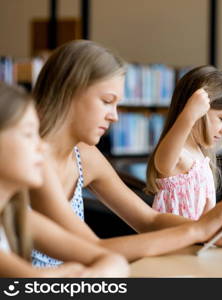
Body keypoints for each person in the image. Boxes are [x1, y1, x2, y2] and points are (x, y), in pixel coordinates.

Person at [30, 40, 222, 267]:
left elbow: (149, 219)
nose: (114, 116)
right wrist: (197, 230)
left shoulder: (85, 156)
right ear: (69, 92)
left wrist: (211, 229)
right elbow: (94, 249)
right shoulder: (31, 161)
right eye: (107, 101)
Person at [0, 82, 129, 277]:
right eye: (28, 134)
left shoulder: (16, 215)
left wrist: (85, 275)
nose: (42, 147)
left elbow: (113, 259)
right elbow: (35, 281)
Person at [146, 65, 222, 220]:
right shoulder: (178, 155)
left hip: (199, 240)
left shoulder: (200, 156)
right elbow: (162, 162)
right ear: (197, 110)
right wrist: (189, 113)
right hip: (177, 241)